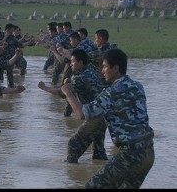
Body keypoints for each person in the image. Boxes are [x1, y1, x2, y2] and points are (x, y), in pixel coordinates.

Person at [61, 48, 155, 189]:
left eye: (105, 66)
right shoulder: (138, 86)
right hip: (148, 153)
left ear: (116, 68)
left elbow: (81, 114)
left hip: (131, 154)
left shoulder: (111, 92)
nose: (102, 70)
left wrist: (68, 93)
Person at [38, 49, 108, 162]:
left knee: (73, 145)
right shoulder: (92, 72)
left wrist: (45, 88)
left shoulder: (78, 78)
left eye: (73, 61)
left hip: (94, 118)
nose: (71, 64)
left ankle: (73, 177)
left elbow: (62, 93)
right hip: (103, 117)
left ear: (80, 63)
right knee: (99, 153)